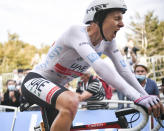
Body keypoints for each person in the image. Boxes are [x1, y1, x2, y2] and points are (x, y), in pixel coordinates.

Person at [21, 0, 164, 131]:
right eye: (117, 18)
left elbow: (125, 71)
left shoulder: (108, 42)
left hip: (58, 90)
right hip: (35, 79)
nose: (122, 24)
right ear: (99, 18)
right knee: (71, 101)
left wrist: (146, 97)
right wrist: (136, 97)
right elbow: (100, 67)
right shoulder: (76, 32)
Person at [134, 63, 160, 129]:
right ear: (134, 73)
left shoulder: (152, 83)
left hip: (150, 112)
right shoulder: (132, 83)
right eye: (138, 71)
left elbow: (157, 97)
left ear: (146, 72)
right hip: (135, 113)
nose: (140, 73)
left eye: (142, 71)